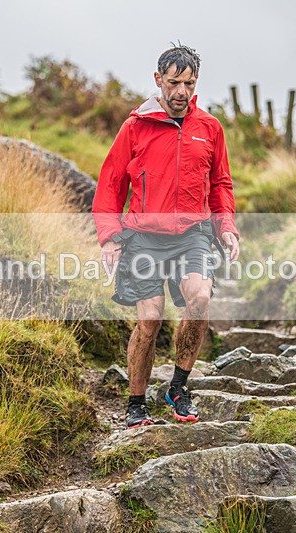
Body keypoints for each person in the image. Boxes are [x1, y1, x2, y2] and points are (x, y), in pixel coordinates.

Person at [92, 44, 240, 429]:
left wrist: (226, 227)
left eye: (189, 84)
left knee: (201, 297)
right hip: (142, 236)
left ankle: (178, 387)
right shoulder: (135, 126)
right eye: (174, 82)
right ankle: (136, 401)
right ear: (158, 80)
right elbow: (110, 185)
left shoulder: (209, 129)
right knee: (151, 320)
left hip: (192, 233)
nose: (181, 91)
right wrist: (109, 236)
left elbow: (221, 184)